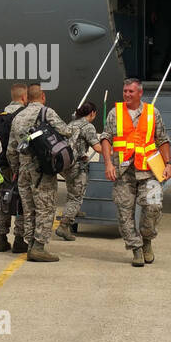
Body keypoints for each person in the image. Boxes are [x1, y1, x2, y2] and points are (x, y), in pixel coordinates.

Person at [98, 78, 171, 267]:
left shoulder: (151, 112)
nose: (127, 94)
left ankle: (147, 240)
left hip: (149, 170)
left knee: (153, 207)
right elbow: (106, 138)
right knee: (124, 213)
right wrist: (108, 164)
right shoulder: (115, 113)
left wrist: (168, 163)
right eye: (125, 91)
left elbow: (162, 139)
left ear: (140, 93)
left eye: (131, 91)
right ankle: (136, 249)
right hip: (124, 172)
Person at [7, 83, 74, 262]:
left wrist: (16, 170)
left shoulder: (18, 117)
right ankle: (39, 246)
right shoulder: (47, 113)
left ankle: (30, 244)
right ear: (43, 96)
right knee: (45, 207)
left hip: (23, 170)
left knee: (28, 208)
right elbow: (66, 131)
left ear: (27, 98)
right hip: (42, 170)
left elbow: (11, 150)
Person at [54, 101, 102, 242]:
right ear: (92, 113)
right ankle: (64, 225)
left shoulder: (71, 124)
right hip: (77, 166)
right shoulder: (88, 126)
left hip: (65, 164)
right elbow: (98, 147)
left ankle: (71, 214)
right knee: (76, 197)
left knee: (71, 193)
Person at [0, 82, 27, 253]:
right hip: (16, 166)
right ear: (24, 97)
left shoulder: (1, 114)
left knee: (2, 202)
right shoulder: (23, 116)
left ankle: (2, 238)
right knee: (20, 202)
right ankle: (19, 239)